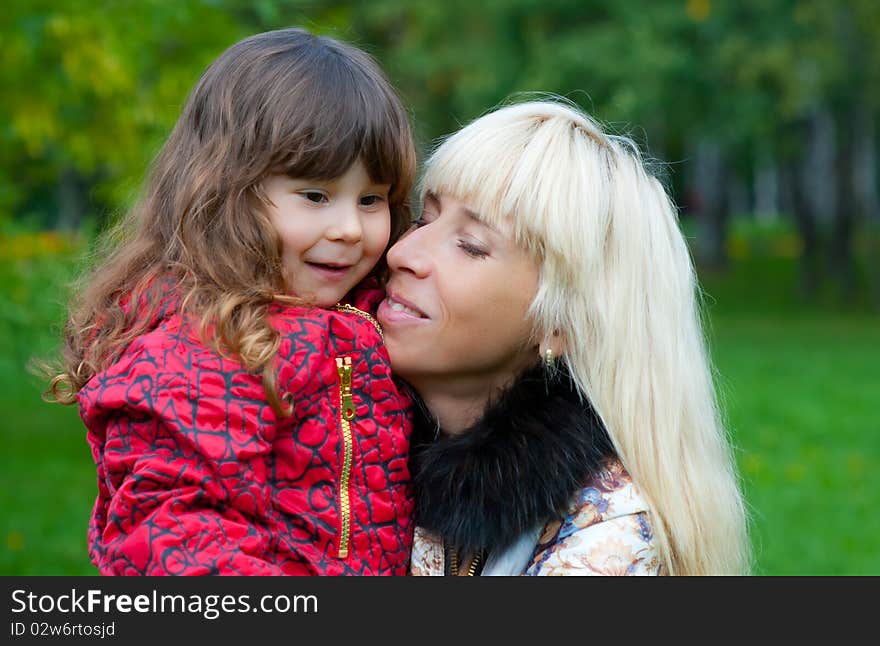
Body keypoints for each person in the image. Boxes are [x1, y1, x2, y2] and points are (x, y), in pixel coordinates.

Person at [45, 28, 417, 575]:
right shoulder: (200, 344)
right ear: (225, 191)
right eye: (315, 195)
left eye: (371, 200)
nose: (349, 229)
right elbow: (176, 538)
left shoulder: (368, 320)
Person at [376, 99, 751, 576]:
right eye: (424, 219)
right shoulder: (363, 442)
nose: (403, 252)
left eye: (470, 245)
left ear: (560, 325)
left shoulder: (610, 536)